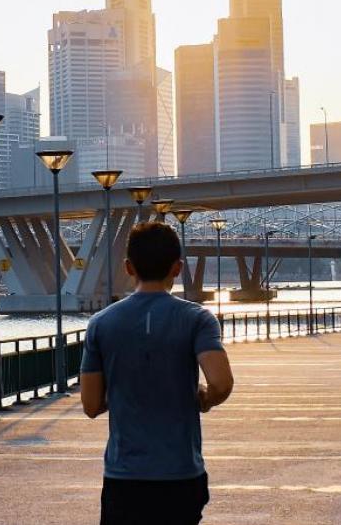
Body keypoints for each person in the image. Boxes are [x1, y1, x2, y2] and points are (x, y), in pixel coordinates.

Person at [80, 221, 234, 525]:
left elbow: (91, 405)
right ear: (177, 268)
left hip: (124, 476)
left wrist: (123, 390)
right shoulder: (197, 319)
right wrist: (204, 398)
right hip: (180, 473)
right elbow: (221, 382)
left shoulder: (101, 323)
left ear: (128, 267)